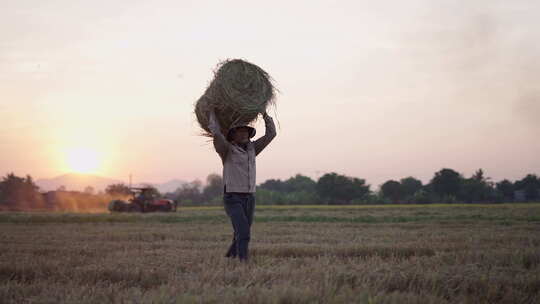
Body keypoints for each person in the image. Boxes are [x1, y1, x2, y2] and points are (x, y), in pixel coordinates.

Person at [208, 109, 276, 261]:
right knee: (244, 232)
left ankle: (229, 258)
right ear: (232, 134)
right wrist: (212, 113)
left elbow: (271, 134)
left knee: (240, 233)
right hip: (232, 197)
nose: (243, 133)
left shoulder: (253, 149)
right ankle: (243, 262)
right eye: (239, 131)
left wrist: (264, 115)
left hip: (250, 197)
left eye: (245, 130)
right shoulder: (226, 150)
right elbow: (217, 134)